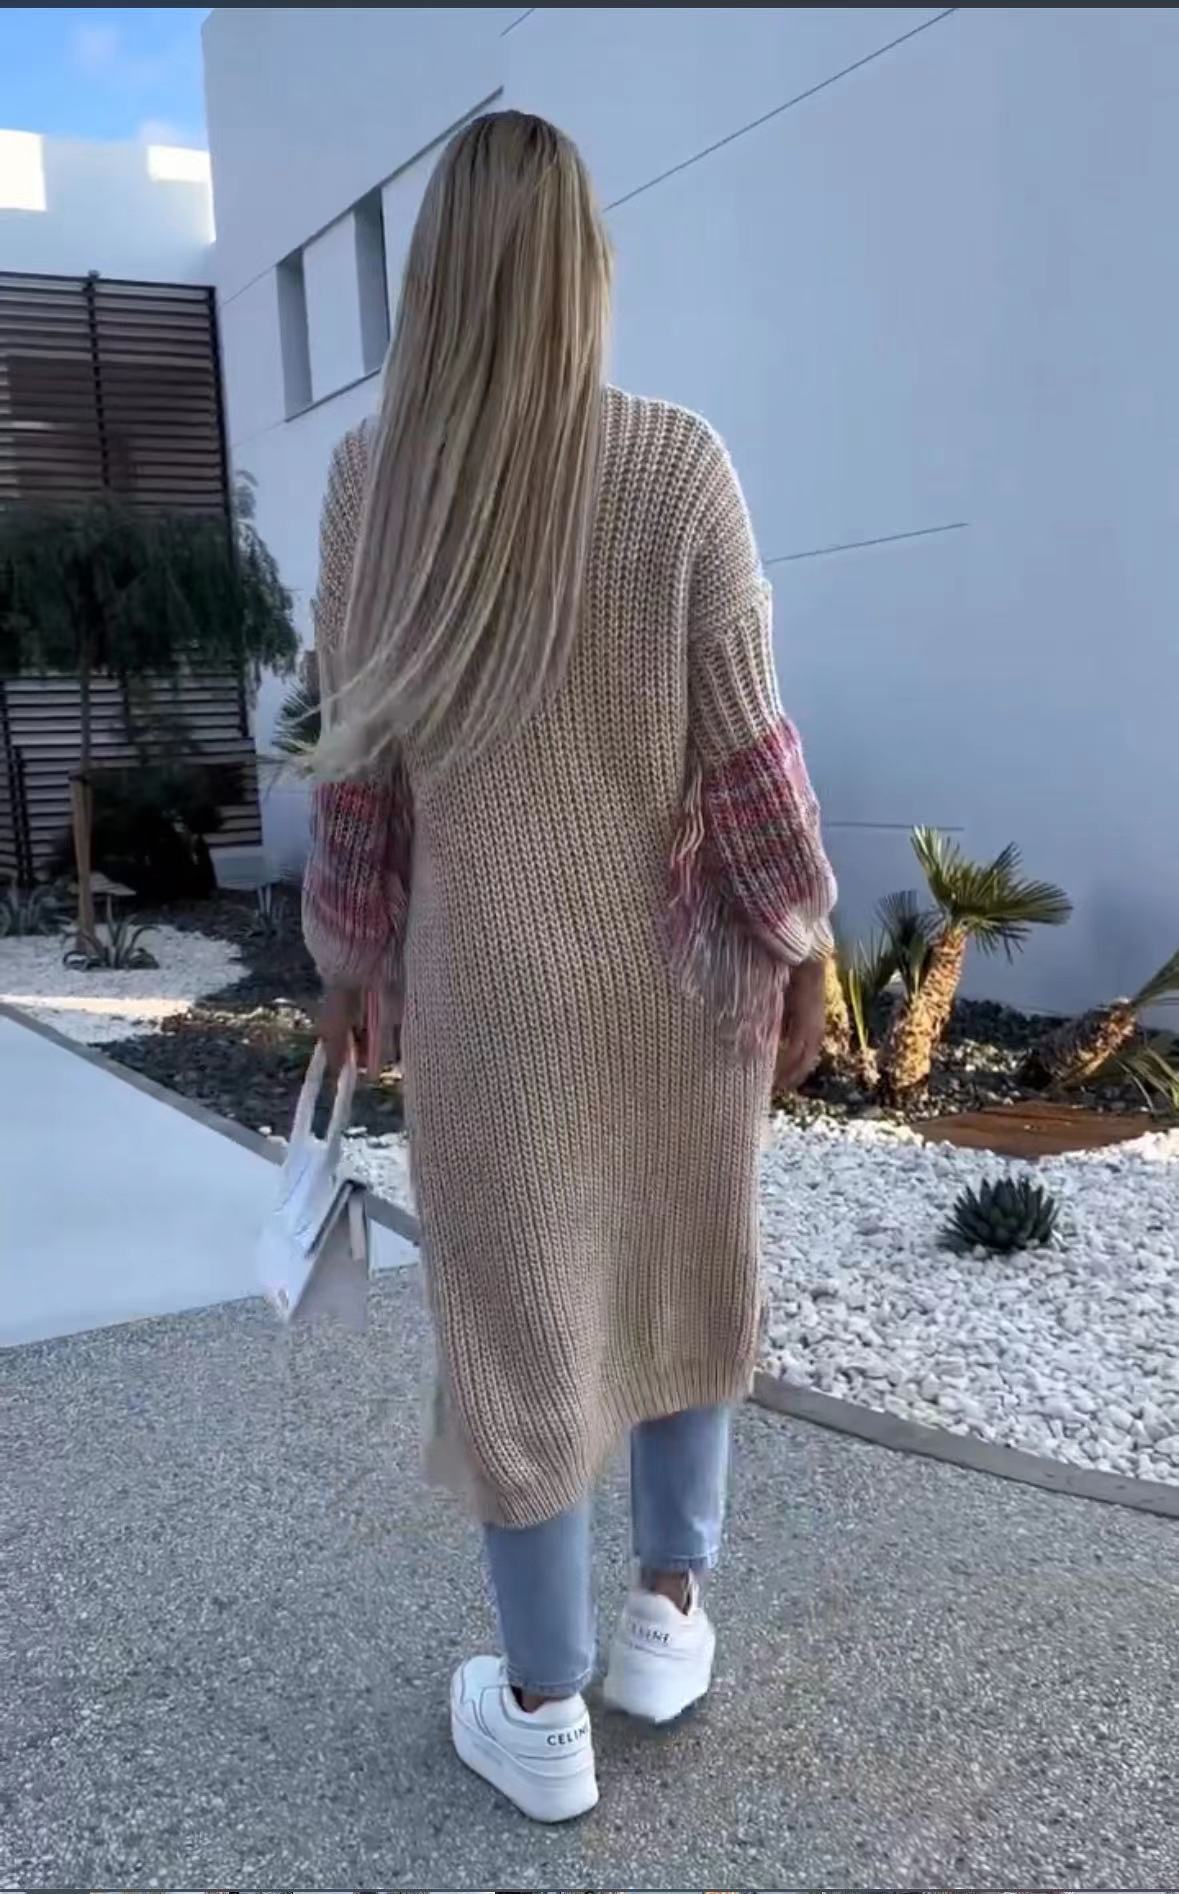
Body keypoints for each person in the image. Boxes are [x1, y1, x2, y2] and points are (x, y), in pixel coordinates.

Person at [302, 109, 836, 1824]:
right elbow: (749, 758)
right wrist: (802, 939)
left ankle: (542, 1706)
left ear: (437, 283)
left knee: (519, 1318)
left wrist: (352, 961)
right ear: (584, 270)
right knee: (684, 1255)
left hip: (494, 998)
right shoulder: (676, 466)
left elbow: (357, 768)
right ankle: (669, 1611)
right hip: (680, 975)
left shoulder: (376, 485)